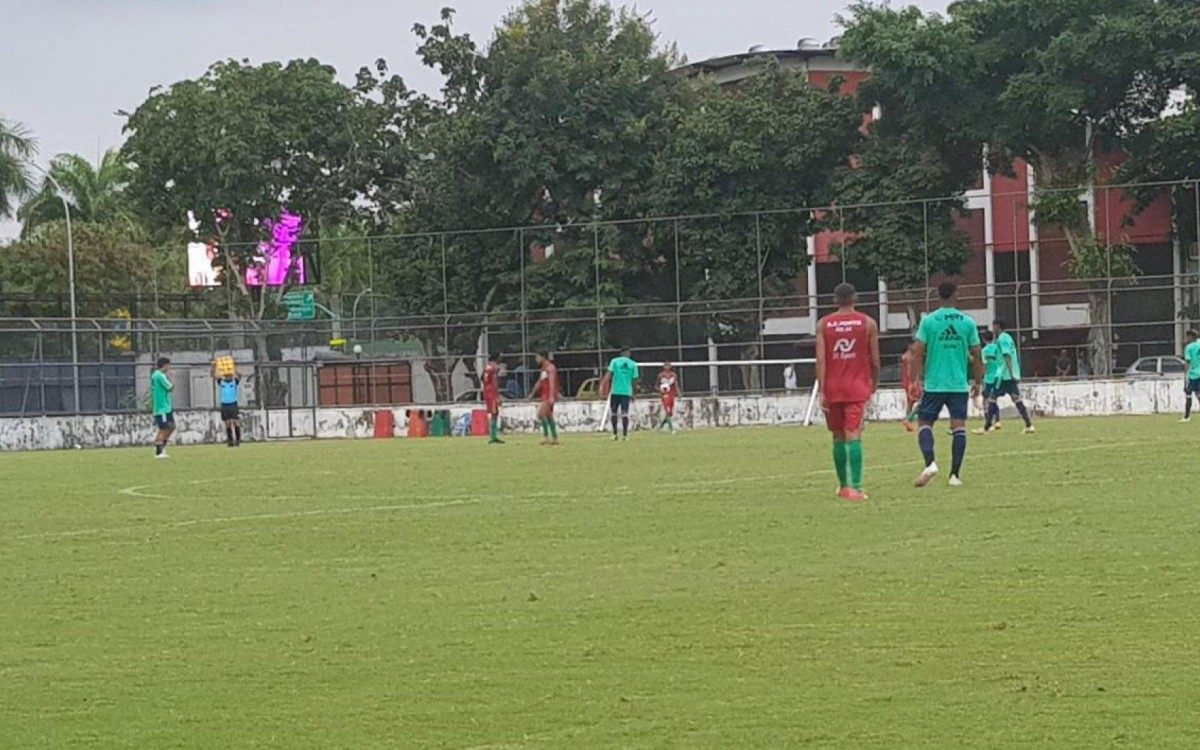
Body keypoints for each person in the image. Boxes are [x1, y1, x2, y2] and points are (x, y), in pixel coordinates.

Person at [910, 282, 984, 488]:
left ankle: (930, 463)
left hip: (934, 384)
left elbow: (918, 352)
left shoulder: (929, 321)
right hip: (958, 384)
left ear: (938, 297)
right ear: (956, 295)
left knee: (925, 424)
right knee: (959, 427)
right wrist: (978, 381)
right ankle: (954, 476)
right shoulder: (967, 322)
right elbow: (977, 353)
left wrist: (915, 379)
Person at [815, 282, 880, 502]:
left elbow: (821, 360)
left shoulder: (823, 324)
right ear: (855, 299)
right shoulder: (868, 323)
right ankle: (857, 487)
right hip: (856, 386)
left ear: (835, 300)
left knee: (837, 436)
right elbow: (875, 359)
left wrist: (822, 389)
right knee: (854, 434)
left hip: (833, 387)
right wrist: (874, 381)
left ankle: (843, 486)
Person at [993, 320, 1035, 434]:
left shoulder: (1002, 338)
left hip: (1003, 375)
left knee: (991, 398)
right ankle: (1029, 425)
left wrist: (1011, 373)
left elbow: (1007, 356)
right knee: (1016, 399)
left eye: (994, 326)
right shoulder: (1008, 338)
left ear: (998, 326)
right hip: (1007, 375)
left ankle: (989, 425)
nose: (993, 329)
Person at [605, 348, 640, 440]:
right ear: (626, 353)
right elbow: (635, 380)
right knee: (624, 413)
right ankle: (624, 435)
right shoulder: (633, 364)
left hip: (616, 391)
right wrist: (634, 392)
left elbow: (609, 374)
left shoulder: (615, 361)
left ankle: (615, 434)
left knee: (614, 413)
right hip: (626, 392)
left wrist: (603, 385)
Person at [975, 330, 1005, 434]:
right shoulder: (997, 348)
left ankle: (989, 423)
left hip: (988, 378)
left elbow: (984, 365)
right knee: (993, 400)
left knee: (985, 400)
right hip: (998, 377)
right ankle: (997, 421)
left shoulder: (984, 350)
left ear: (983, 339)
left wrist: (982, 375)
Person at [531, 353, 560, 445]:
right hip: (544, 395)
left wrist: (551, 396)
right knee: (548, 416)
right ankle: (554, 437)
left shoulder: (550, 368)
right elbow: (540, 382)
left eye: (537, 357)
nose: (536, 359)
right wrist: (532, 394)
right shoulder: (544, 368)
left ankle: (546, 436)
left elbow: (552, 382)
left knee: (540, 414)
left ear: (543, 357)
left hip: (548, 395)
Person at [150, 357, 175, 458]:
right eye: (169, 365)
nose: (169, 367)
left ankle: (162, 446)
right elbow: (170, 388)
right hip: (162, 408)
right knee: (164, 428)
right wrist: (171, 378)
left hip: (166, 407)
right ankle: (158, 451)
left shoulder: (157, 375)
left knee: (172, 427)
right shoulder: (159, 376)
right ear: (164, 365)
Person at [212, 362, 243, 447]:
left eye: (229, 374)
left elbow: (240, 376)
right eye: (226, 374)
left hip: (233, 404)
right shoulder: (222, 382)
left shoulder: (234, 382)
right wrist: (214, 367)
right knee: (228, 423)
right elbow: (214, 376)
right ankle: (230, 441)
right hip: (225, 404)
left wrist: (234, 367)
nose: (228, 376)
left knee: (236, 422)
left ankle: (238, 440)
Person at [482, 353, 505, 444]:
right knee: (495, 413)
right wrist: (497, 396)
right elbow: (495, 382)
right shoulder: (495, 367)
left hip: (486, 391)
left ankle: (493, 435)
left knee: (492, 413)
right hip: (492, 392)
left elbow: (482, 378)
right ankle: (493, 436)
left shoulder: (487, 366)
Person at [900, 340, 921, 432]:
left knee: (910, 404)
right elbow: (910, 371)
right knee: (922, 402)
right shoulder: (910, 357)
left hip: (906, 382)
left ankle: (908, 425)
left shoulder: (905, 356)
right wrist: (913, 382)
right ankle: (908, 420)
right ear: (910, 346)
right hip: (912, 382)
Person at [1182, 330, 1200, 423]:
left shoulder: (1188, 347)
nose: (1186, 339)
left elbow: (1188, 362)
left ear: (1190, 337)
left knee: (1188, 395)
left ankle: (1186, 417)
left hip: (1193, 375)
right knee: (1198, 394)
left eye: (1187, 337)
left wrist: (1185, 376)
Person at [656, 362, 679, 433]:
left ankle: (660, 427)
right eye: (666, 365)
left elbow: (676, 384)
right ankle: (671, 429)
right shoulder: (660, 375)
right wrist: (661, 391)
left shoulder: (674, 375)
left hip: (672, 394)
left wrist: (678, 392)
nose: (667, 367)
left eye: (669, 365)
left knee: (670, 413)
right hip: (665, 395)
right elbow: (656, 386)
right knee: (667, 411)